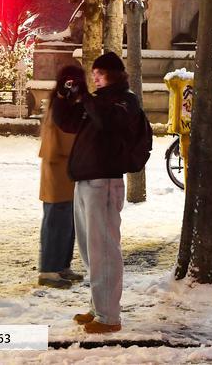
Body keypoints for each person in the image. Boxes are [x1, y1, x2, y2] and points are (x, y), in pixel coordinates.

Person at [52, 51, 143, 334]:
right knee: (91, 252)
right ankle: (99, 306)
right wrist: (63, 94)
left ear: (113, 75)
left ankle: (109, 316)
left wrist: (87, 98)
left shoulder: (125, 102)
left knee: (104, 250)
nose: (94, 78)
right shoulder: (100, 102)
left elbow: (107, 121)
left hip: (103, 184)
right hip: (86, 183)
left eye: (99, 74)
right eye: (93, 74)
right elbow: (67, 122)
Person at [38, 65, 84, 289]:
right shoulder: (59, 104)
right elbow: (66, 136)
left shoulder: (65, 103)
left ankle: (61, 265)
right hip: (58, 168)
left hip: (66, 169)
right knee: (56, 220)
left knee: (67, 222)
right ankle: (49, 269)